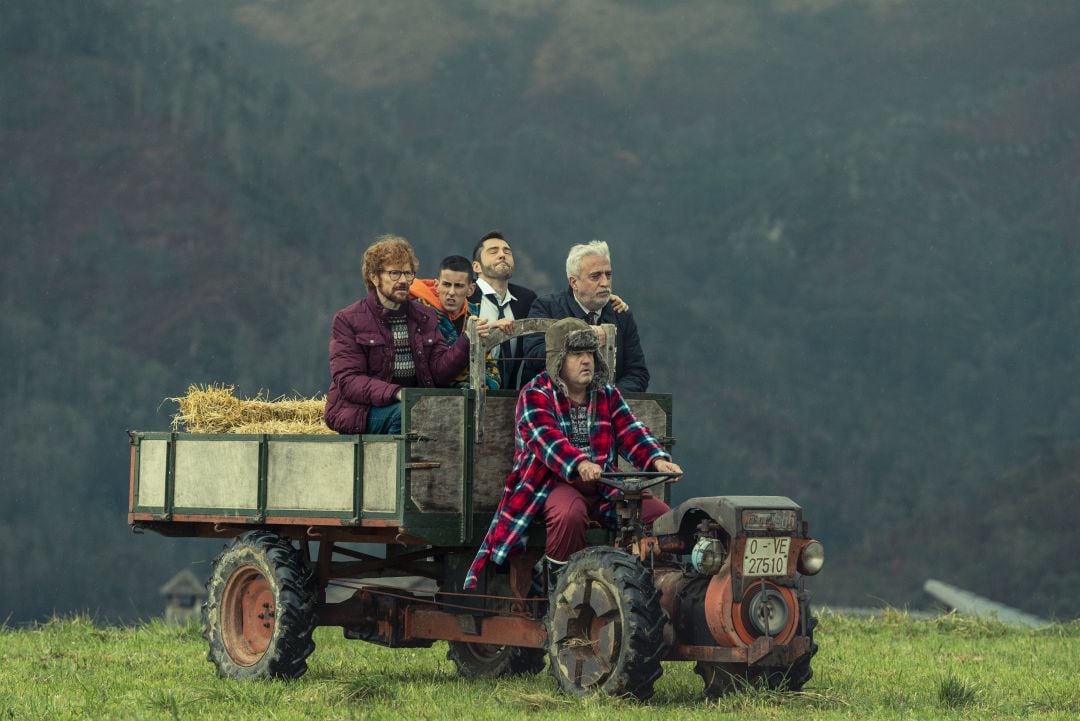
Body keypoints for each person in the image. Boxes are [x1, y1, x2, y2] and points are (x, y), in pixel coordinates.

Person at [464, 317, 682, 589]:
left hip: (604, 484)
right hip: (551, 483)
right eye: (577, 354)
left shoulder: (606, 393)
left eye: (590, 352)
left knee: (661, 518)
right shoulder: (534, 394)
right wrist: (579, 462)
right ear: (558, 360)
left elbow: (630, 429)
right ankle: (556, 589)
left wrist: (657, 461)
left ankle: (647, 587)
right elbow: (547, 439)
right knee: (570, 515)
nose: (586, 360)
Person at [324, 235, 471, 435]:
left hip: (411, 406)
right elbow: (348, 380)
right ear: (374, 277)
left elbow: (438, 372)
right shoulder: (348, 319)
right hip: (360, 411)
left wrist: (467, 340)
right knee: (406, 416)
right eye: (394, 273)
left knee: (453, 415)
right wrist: (396, 393)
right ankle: (396, 466)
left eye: (408, 273)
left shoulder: (424, 315)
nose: (403, 280)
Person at [521, 240, 650, 393]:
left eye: (608, 275)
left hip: (607, 412)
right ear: (574, 282)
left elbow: (638, 374)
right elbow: (533, 358)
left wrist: (607, 398)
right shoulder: (546, 307)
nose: (605, 283)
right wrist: (583, 335)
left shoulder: (621, 314)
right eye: (595, 276)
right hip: (554, 407)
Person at [409, 255, 511, 390]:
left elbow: (490, 367)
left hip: (474, 396)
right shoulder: (419, 313)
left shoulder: (474, 314)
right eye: (446, 284)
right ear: (437, 285)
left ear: (471, 289)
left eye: (458, 286)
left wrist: (486, 386)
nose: (451, 292)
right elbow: (438, 373)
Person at [468, 230, 537, 389]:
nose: (502, 255)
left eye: (507, 252)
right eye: (493, 251)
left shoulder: (527, 299)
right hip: (471, 393)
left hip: (514, 396)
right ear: (476, 266)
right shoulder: (464, 294)